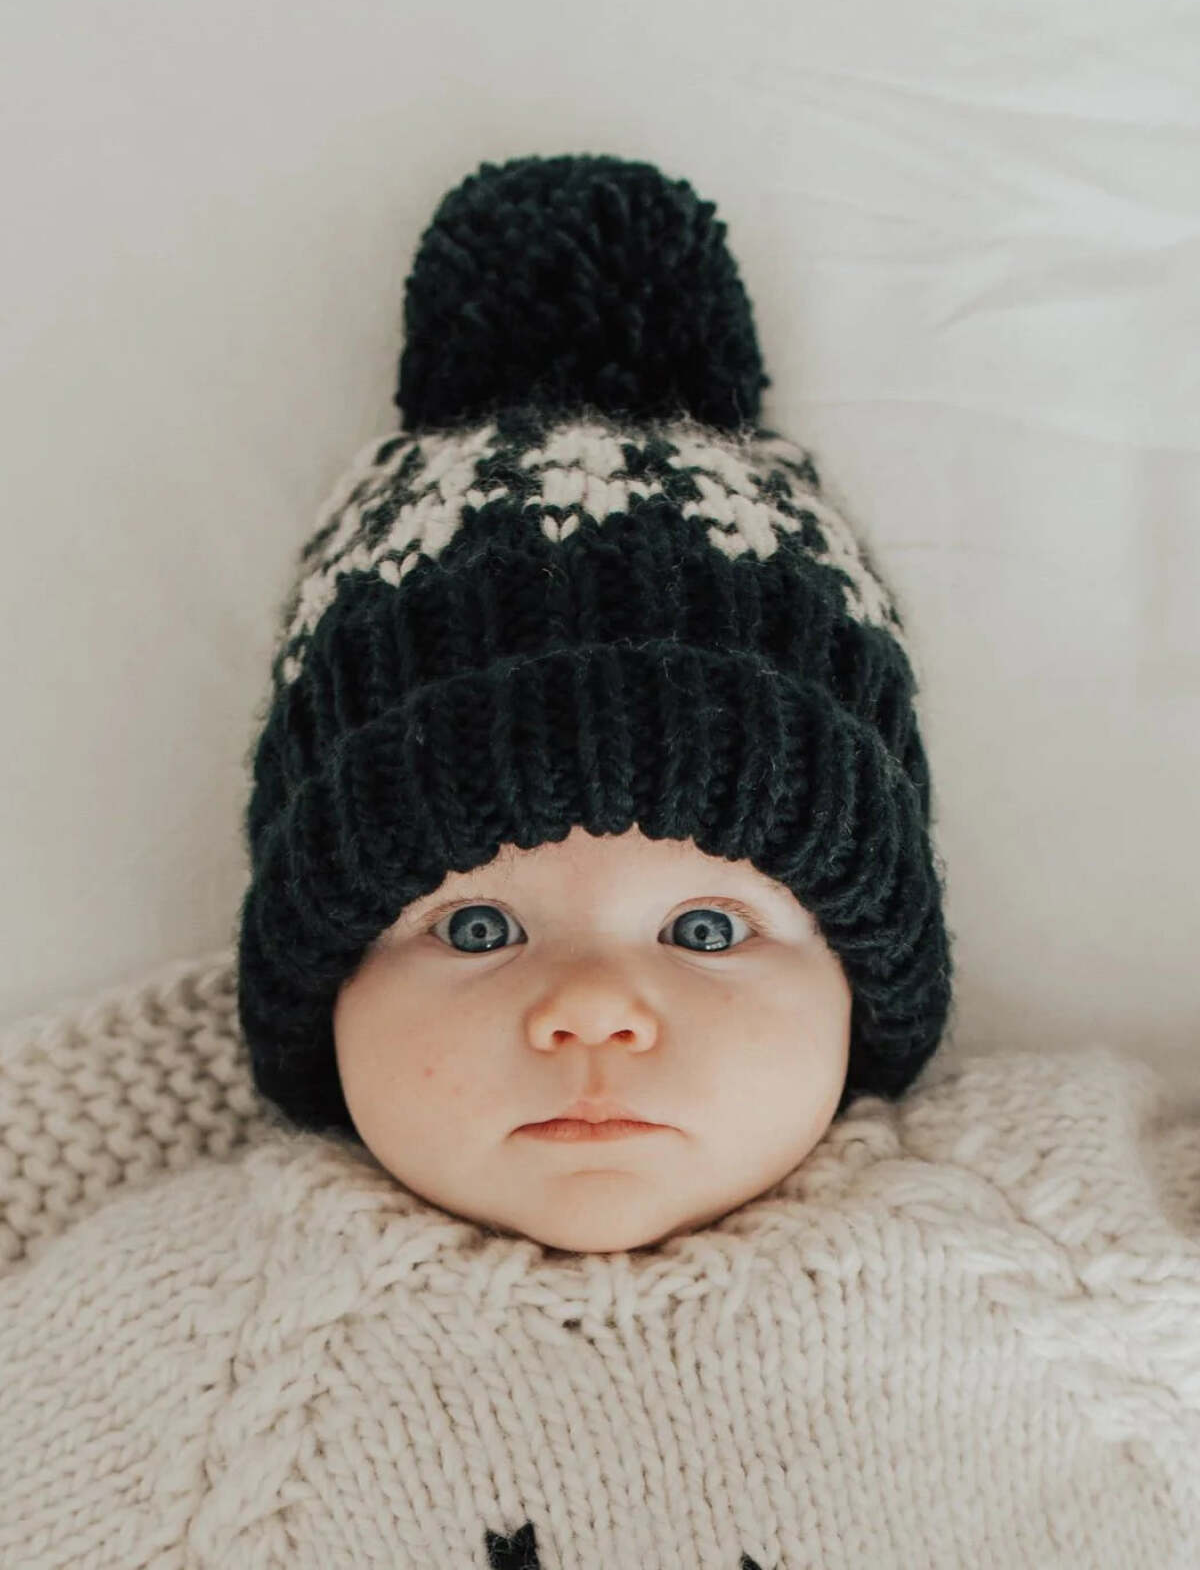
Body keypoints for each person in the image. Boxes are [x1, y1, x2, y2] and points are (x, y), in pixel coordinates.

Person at [2, 153, 1198, 1568]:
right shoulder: (159, 1324)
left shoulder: (1056, 1201)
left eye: (703, 929)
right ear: (316, 993)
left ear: (868, 989)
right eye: (475, 928)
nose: (589, 1008)